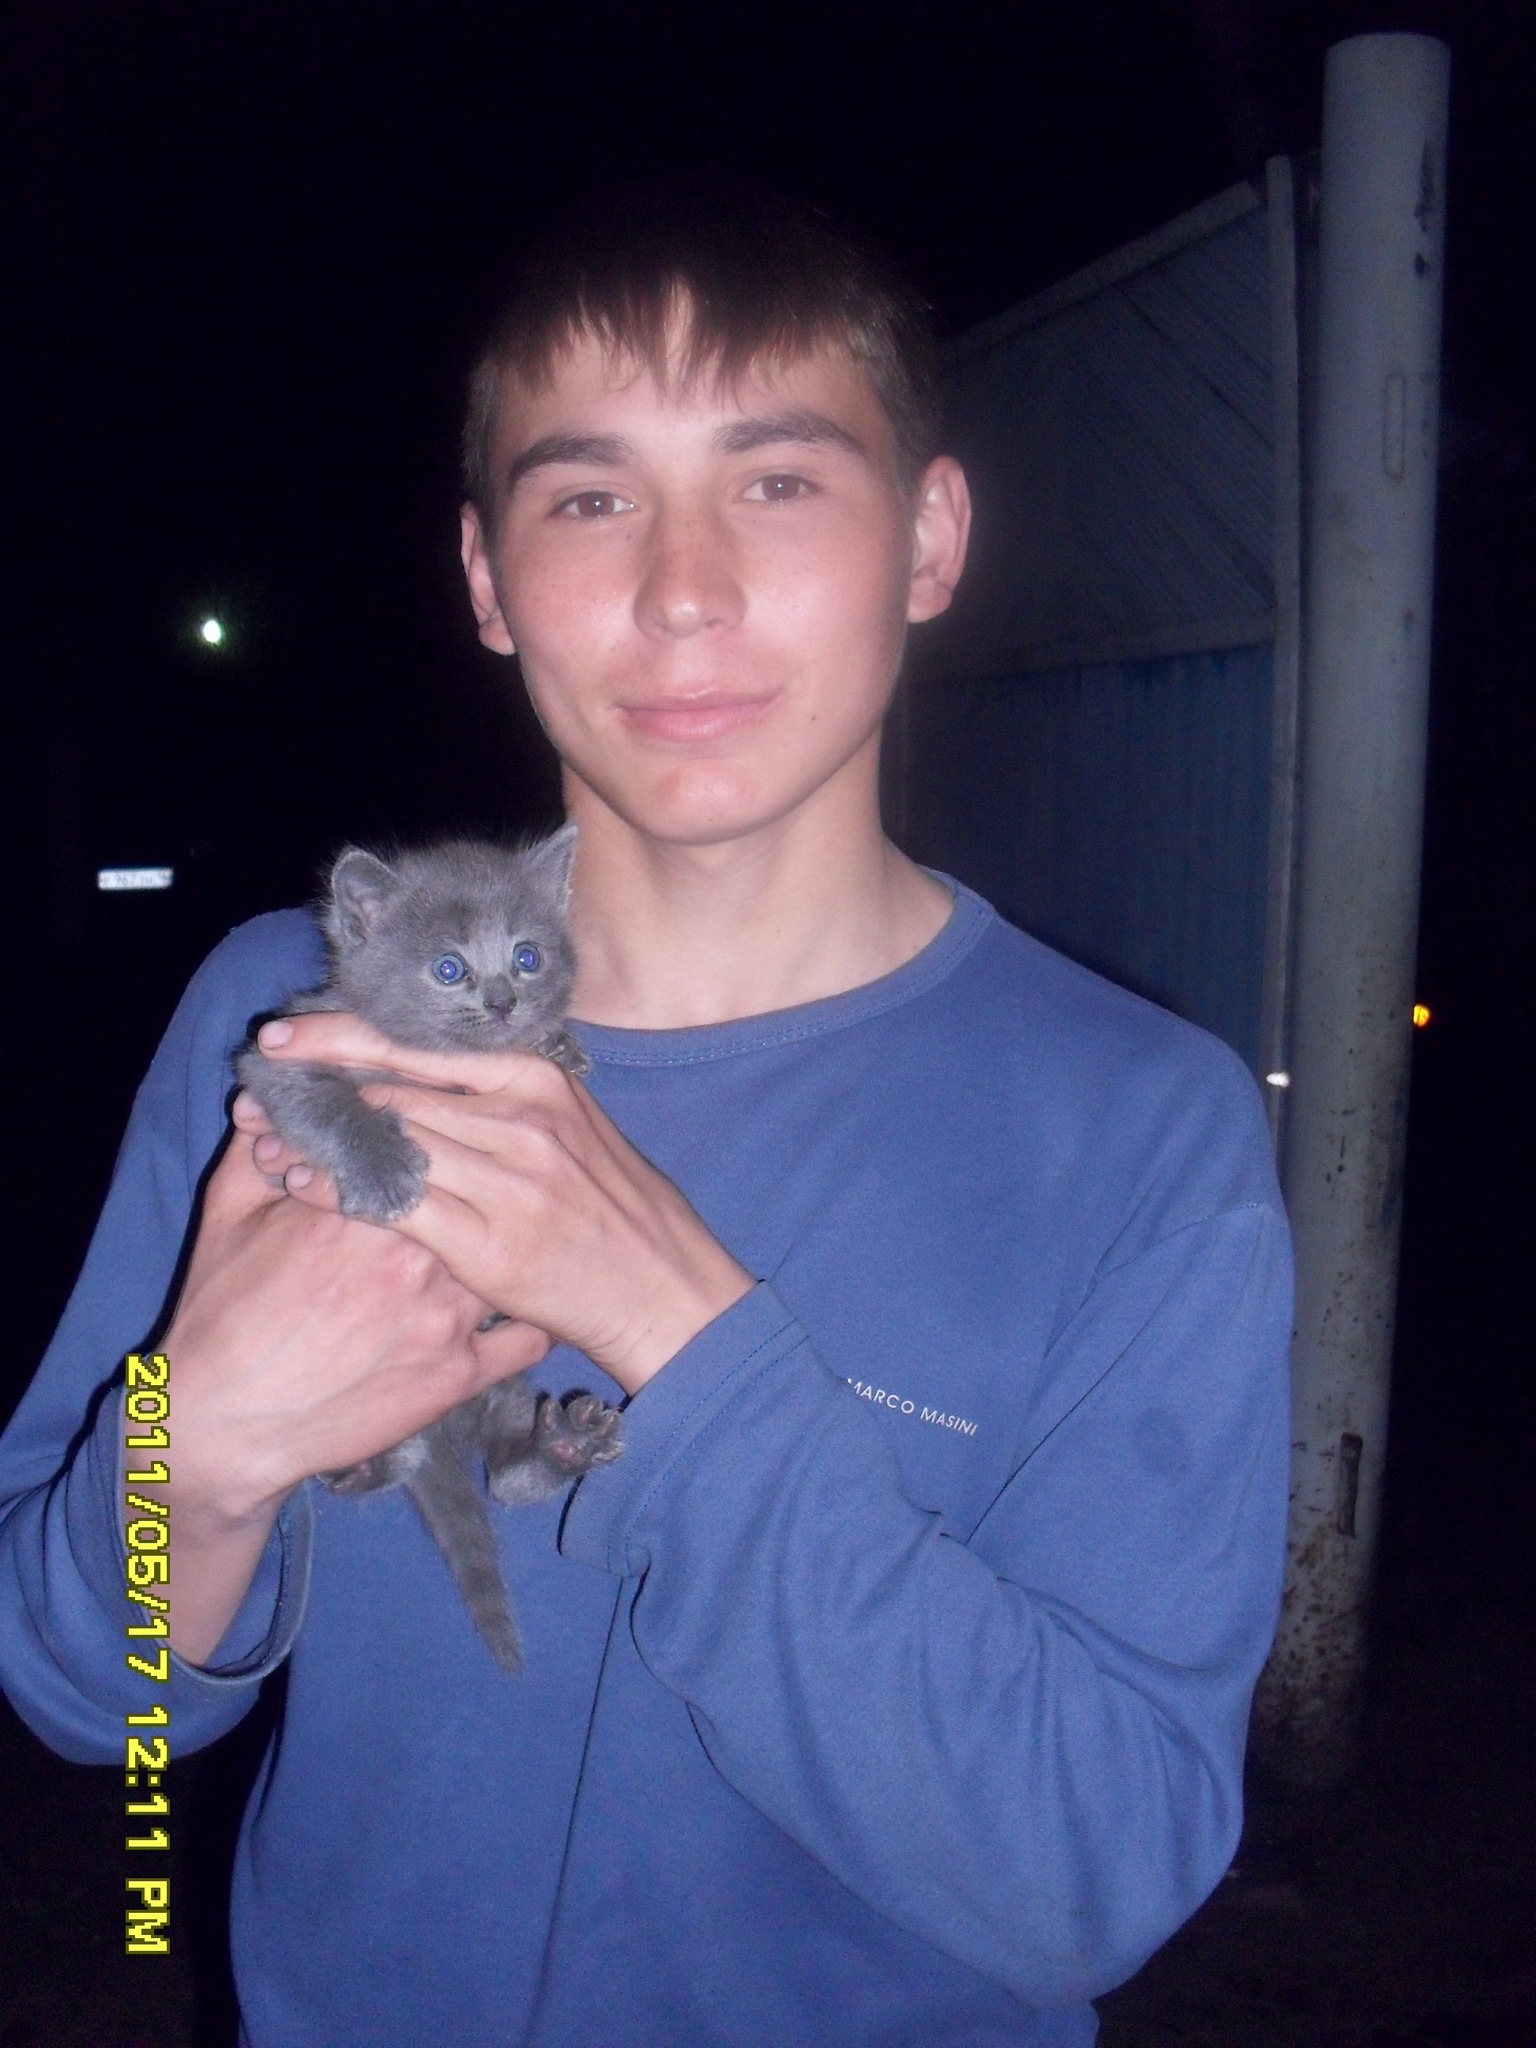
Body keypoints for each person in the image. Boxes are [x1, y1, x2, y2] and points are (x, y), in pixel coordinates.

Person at [0, 181, 1291, 2046]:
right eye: (591, 499)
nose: (685, 590)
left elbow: (1095, 1872)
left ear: (930, 538)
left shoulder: (1138, 1131)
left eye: (778, 480)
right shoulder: (287, 1026)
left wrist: (681, 1335)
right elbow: (93, 1700)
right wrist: (185, 1467)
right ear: (485, 579)